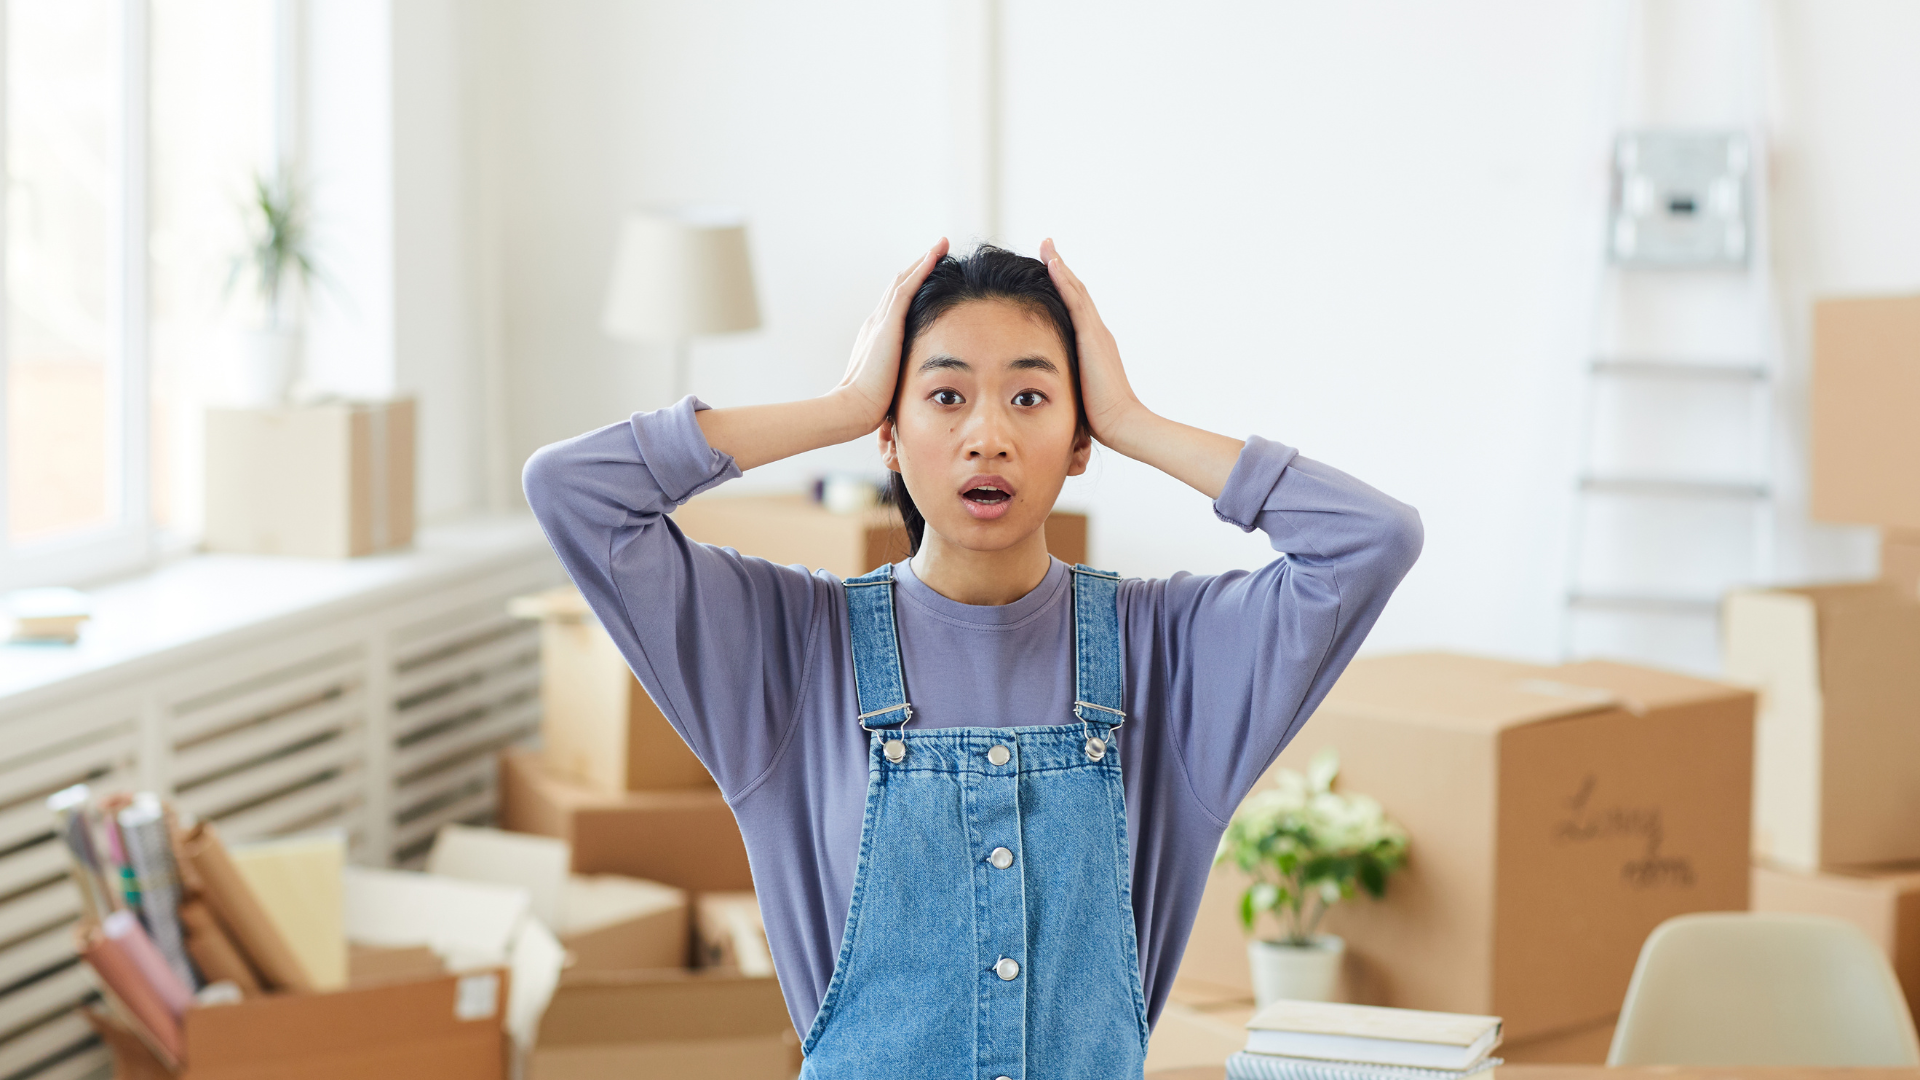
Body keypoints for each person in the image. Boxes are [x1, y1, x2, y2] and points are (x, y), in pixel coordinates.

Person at [523, 238, 1422, 1079]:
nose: (986, 434)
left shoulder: (1172, 652)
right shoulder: (789, 647)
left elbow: (1372, 541)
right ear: (890, 429)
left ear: (1079, 442)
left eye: (1030, 397)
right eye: (946, 396)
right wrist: (838, 406)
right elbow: (572, 491)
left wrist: (1133, 422)